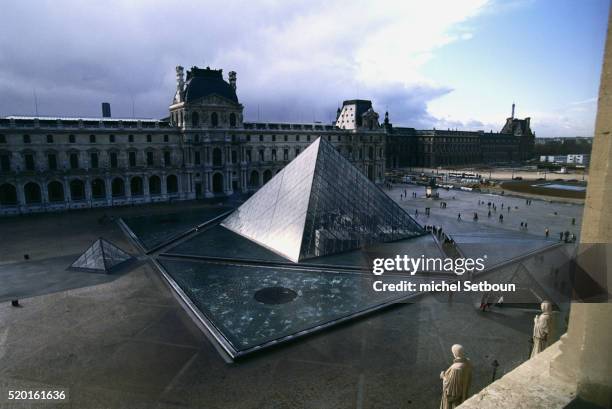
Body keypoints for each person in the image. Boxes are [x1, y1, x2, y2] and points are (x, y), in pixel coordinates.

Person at [439, 344, 472, 409]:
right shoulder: (467, 363)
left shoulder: (456, 368)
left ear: (455, 353)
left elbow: (451, 390)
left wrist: (443, 376)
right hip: (464, 394)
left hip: (455, 402)